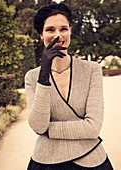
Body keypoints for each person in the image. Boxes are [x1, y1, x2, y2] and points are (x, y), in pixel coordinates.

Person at [25, 3, 113, 170]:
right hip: (45, 162)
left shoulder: (92, 69)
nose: (58, 35)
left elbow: (93, 128)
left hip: (91, 159)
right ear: (41, 35)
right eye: (50, 30)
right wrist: (44, 74)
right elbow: (38, 126)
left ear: (70, 31)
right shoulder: (32, 77)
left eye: (63, 29)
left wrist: (48, 131)